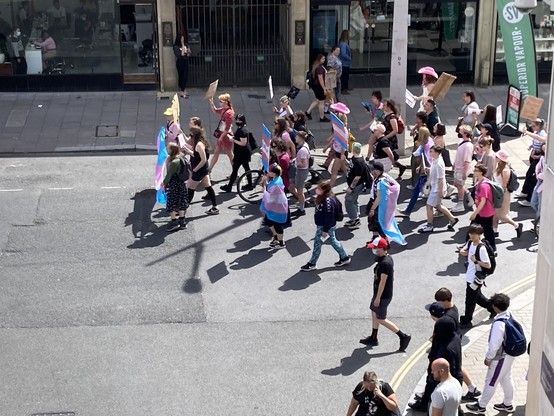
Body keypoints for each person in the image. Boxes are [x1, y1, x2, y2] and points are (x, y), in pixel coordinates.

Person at [466, 293, 518, 414]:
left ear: (495, 307)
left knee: (491, 381)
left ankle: (481, 406)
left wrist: (488, 358)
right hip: (510, 355)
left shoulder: (499, 323)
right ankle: (508, 404)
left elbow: (495, 344)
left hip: (500, 358)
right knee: (506, 378)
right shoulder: (510, 315)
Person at [360, 236, 412, 352]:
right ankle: (373, 337)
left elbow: (383, 282)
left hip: (382, 296)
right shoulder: (386, 258)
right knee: (374, 313)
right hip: (379, 294)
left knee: (380, 318)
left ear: (382, 249)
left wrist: (377, 298)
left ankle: (403, 336)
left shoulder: (385, 264)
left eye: (375, 248)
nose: (373, 250)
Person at [409, 303, 462, 412]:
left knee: (438, 405)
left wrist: (433, 376)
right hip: (454, 377)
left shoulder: (445, 349)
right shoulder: (455, 338)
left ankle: (424, 405)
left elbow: (443, 365)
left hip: (442, 379)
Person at [300, 180, 350, 271]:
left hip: (325, 226)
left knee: (317, 244)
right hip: (327, 226)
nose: (317, 190)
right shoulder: (327, 197)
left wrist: (325, 230)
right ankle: (344, 257)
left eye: (319, 189)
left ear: (324, 190)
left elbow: (329, 216)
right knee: (333, 241)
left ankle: (312, 263)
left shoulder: (327, 201)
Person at [458, 224, 495, 329]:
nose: (472, 235)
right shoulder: (470, 243)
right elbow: (464, 252)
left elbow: (488, 265)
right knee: (477, 297)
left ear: (480, 235)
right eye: (471, 233)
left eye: (475, 234)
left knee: (469, 300)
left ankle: (467, 320)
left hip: (476, 278)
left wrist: (476, 261)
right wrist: (461, 251)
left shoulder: (481, 248)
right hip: (469, 275)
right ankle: (492, 308)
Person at [417, 146, 459, 233]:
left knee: (429, 206)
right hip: (435, 187)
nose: (430, 153)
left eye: (431, 151)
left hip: (437, 189)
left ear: (437, 153)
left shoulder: (439, 164)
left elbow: (440, 179)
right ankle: (452, 219)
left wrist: (441, 191)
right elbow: (435, 171)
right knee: (438, 205)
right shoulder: (436, 160)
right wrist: (429, 169)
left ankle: (429, 225)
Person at [397, 126, 433, 218]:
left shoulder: (426, 145)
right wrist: (420, 166)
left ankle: (447, 215)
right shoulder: (429, 141)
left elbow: (427, 159)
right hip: (427, 171)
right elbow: (425, 158)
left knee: (431, 195)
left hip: (427, 172)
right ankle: (408, 211)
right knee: (419, 191)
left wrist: (422, 167)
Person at [187, 127, 220, 215]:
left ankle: (183, 209)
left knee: (190, 188)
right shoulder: (200, 143)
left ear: (195, 136)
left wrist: (195, 169)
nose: (190, 137)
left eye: (191, 136)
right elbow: (197, 154)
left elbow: (203, 159)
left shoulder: (199, 145)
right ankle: (215, 207)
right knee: (208, 187)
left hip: (200, 170)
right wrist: (188, 150)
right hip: (204, 169)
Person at [492, 150, 523, 238]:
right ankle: (494, 230)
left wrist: (498, 194)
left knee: (502, 215)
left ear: (501, 159)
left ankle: (516, 225)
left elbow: (504, 185)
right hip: (497, 192)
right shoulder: (499, 167)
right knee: (495, 213)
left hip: (502, 194)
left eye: (497, 157)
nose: (496, 158)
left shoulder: (505, 169)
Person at [467, 163, 496, 253]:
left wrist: (474, 213)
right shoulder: (479, 182)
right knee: (472, 228)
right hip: (481, 212)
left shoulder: (484, 185)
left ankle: (492, 249)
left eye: (476, 170)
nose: (474, 172)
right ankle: (468, 246)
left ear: (481, 172)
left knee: (488, 232)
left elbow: (483, 201)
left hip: (486, 213)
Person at [517, 118, 547, 206]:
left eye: (534, 126)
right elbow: (535, 140)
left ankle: (529, 199)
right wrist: (531, 146)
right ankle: (525, 192)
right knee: (529, 175)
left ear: (539, 126)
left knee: (533, 179)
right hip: (535, 156)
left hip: (539, 158)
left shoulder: (543, 134)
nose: (532, 127)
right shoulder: (536, 132)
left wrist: (527, 132)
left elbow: (539, 139)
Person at [220, 114, 252, 193]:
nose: (237, 122)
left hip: (242, 154)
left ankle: (229, 186)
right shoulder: (241, 128)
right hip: (241, 153)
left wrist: (233, 140)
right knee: (246, 168)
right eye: (237, 120)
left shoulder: (243, 131)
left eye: (239, 120)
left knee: (235, 169)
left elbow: (243, 143)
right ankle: (250, 184)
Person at [260, 164, 288, 250]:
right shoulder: (277, 180)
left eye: (270, 171)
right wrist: (265, 182)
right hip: (275, 206)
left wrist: (264, 188)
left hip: (277, 207)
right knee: (269, 220)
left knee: (277, 224)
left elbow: (269, 196)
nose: (269, 172)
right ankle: (276, 237)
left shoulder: (276, 185)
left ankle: (281, 242)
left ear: (274, 173)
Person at [162, 142, 189, 231]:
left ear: (172, 150)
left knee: (172, 203)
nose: (167, 150)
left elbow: (169, 175)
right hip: (181, 183)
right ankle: (182, 222)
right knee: (181, 202)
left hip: (174, 184)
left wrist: (164, 183)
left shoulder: (174, 162)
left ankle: (174, 222)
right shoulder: (182, 157)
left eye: (168, 149)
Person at [208, 93, 235, 175]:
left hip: (226, 136)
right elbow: (215, 110)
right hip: (222, 135)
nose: (220, 102)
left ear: (226, 102)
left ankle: (235, 171)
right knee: (216, 152)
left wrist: (221, 137)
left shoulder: (229, 113)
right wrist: (211, 102)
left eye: (221, 101)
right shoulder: (224, 109)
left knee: (230, 154)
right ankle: (209, 170)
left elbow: (227, 127)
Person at [344, 142, 369, 230]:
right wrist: (345, 161)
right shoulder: (355, 158)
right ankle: (355, 217)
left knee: (348, 201)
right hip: (354, 185)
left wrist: (351, 187)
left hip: (356, 185)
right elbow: (351, 166)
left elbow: (357, 177)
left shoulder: (359, 162)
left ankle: (354, 219)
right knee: (354, 201)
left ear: (353, 150)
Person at [451, 125, 475, 213]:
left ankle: (460, 204)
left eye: (460, 131)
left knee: (459, 186)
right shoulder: (461, 142)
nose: (459, 132)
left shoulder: (468, 146)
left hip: (462, 169)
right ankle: (469, 196)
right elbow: (458, 155)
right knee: (457, 184)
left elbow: (467, 161)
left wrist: (465, 173)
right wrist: (454, 164)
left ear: (465, 134)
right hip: (458, 168)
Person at [381, 99, 407, 179]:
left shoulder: (392, 117)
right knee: (388, 155)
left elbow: (395, 130)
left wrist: (385, 137)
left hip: (390, 140)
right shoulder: (387, 115)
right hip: (386, 138)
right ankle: (400, 166)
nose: (383, 107)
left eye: (385, 105)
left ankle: (385, 171)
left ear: (389, 106)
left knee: (388, 155)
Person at [290, 131, 311, 217]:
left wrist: (295, 163)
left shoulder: (302, 150)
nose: (295, 138)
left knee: (300, 192)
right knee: (295, 187)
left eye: (296, 137)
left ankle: (301, 209)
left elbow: (303, 164)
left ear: (300, 138)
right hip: (302, 172)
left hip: (301, 172)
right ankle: (302, 205)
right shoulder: (305, 145)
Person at [305, 54, 330, 122]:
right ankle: (322, 117)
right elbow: (320, 79)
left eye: (324, 59)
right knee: (321, 102)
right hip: (319, 87)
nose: (324, 60)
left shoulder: (317, 66)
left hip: (316, 86)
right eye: (322, 59)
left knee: (318, 100)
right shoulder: (319, 68)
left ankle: (308, 112)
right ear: (319, 59)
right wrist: (324, 88)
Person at [366, 161, 386, 239]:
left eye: (373, 170)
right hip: (373, 202)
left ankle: (384, 242)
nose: (372, 171)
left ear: (378, 171)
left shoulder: (380, 182)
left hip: (376, 205)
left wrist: (372, 209)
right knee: (372, 221)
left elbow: (379, 197)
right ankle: (375, 237)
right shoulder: (377, 178)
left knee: (377, 223)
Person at [530, 144, 546, 233]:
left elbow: (546, 173)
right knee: (533, 202)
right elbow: (538, 168)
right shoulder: (543, 158)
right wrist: (538, 175)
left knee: (540, 206)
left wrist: (540, 175)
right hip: (539, 181)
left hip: (544, 183)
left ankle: (538, 225)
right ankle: (541, 219)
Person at [173, 34, 191, 99]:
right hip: (180, 62)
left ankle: (183, 90)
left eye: (183, 39)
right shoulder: (176, 47)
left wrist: (188, 49)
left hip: (186, 61)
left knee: (186, 76)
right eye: (181, 39)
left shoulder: (186, 44)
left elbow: (188, 53)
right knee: (181, 76)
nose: (183, 40)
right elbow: (182, 54)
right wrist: (183, 44)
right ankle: (182, 91)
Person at [338, 30, 352, 94]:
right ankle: (343, 89)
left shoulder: (343, 43)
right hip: (344, 63)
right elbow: (343, 54)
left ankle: (345, 87)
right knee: (344, 76)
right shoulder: (343, 44)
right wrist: (349, 58)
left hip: (345, 63)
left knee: (346, 76)